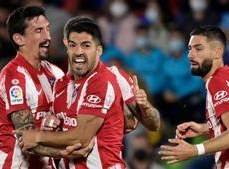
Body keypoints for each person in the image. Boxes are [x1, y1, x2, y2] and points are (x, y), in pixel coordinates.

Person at [16, 16, 160, 169]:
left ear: (99, 50)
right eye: (73, 45)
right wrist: (50, 138)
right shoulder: (60, 85)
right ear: (66, 46)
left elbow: (81, 138)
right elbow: (68, 141)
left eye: (86, 46)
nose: (78, 52)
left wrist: (37, 136)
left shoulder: (104, 80)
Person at [0, 6, 91, 169]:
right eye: (39, 30)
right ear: (19, 39)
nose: (48, 36)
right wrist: (66, 152)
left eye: (47, 29)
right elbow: (27, 139)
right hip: (17, 164)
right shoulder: (13, 77)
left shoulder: (55, 73)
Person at [159, 26, 229, 168]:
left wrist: (195, 149)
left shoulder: (216, 82)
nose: (190, 55)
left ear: (217, 52)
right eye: (190, 48)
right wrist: (206, 127)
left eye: (198, 49)